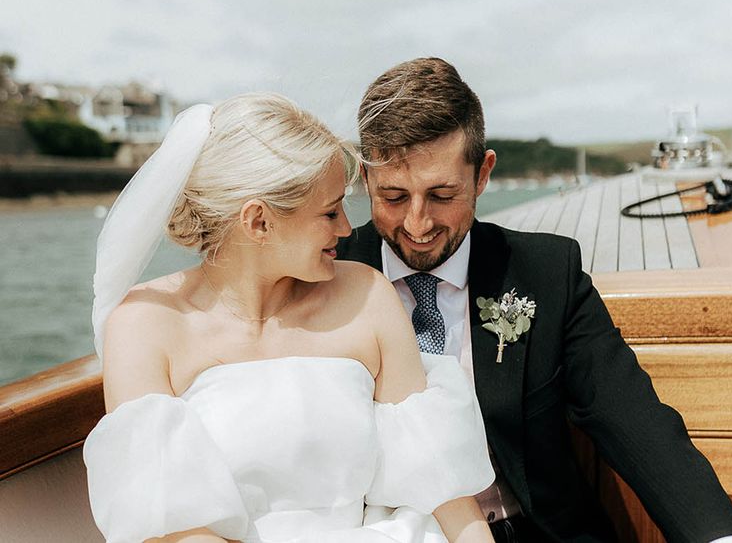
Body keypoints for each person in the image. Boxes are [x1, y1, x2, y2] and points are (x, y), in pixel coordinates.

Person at [336, 58, 732, 543]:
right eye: (392, 196)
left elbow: (635, 419)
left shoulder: (547, 272)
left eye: (442, 194)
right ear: (365, 179)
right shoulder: (329, 274)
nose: (417, 223)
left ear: (483, 174)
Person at [83, 93, 497, 543]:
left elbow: (445, 491)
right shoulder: (144, 325)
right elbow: (177, 532)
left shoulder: (367, 296)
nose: (345, 228)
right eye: (329, 211)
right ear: (259, 221)